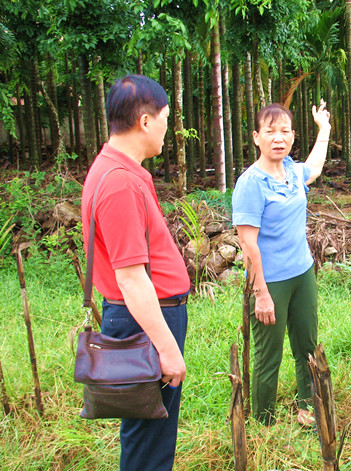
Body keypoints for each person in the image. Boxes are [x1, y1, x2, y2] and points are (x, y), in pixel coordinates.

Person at [81, 75, 190, 470]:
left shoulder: (114, 168)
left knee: (148, 430)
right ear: (145, 121)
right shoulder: (121, 183)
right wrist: (166, 347)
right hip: (145, 318)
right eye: (165, 117)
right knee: (150, 440)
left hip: (142, 316)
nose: (167, 127)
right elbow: (130, 277)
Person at [232, 101, 330, 426]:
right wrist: (260, 293)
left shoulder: (291, 171)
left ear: (292, 136)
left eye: (285, 131)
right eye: (270, 131)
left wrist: (324, 129)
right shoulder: (250, 183)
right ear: (256, 137)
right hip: (269, 281)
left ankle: (307, 407)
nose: (279, 137)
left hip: (302, 273)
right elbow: (248, 243)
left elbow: (314, 167)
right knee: (268, 355)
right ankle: (263, 420)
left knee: (307, 345)